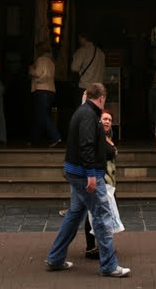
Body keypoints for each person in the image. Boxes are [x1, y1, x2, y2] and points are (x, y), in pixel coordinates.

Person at [45, 82, 131, 278]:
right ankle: (109, 265)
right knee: (101, 216)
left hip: (76, 172)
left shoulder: (83, 112)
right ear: (101, 98)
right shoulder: (89, 115)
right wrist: (91, 173)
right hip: (86, 175)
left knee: (75, 214)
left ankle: (55, 258)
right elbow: (86, 145)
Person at [84, 109, 119, 259]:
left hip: (110, 181)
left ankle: (102, 246)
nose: (107, 121)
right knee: (94, 214)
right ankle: (92, 247)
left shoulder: (108, 137)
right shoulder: (97, 138)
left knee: (104, 214)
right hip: (100, 180)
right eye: (104, 119)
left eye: (110, 120)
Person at [28, 40, 61, 147]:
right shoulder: (51, 61)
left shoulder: (41, 59)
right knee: (39, 115)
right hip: (51, 90)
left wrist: (31, 69)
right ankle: (34, 140)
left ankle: (55, 137)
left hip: (41, 90)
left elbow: (37, 73)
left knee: (42, 115)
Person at [71, 33, 106, 106]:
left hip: (85, 86)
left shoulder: (83, 51)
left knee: (84, 111)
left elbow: (74, 68)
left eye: (80, 38)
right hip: (98, 88)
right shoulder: (101, 53)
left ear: (84, 38)